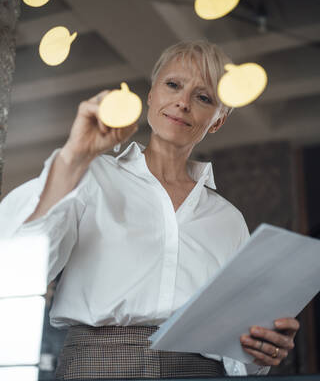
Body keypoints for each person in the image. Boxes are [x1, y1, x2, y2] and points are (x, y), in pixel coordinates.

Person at [0, 40, 299, 379]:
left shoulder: (229, 220)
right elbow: (15, 265)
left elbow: (240, 355)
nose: (182, 103)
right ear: (151, 96)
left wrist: (259, 350)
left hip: (200, 373)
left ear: (217, 120)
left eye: (203, 97)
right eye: (173, 85)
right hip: (97, 366)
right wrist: (73, 157)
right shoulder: (90, 176)